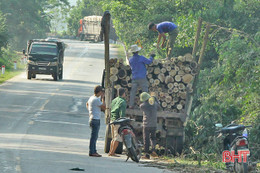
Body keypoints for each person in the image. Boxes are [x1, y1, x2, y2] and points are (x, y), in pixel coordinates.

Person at [140, 92, 161, 159]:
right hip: (153, 124)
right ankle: (153, 150)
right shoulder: (155, 104)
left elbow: (141, 105)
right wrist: (155, 98)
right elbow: (159, 107)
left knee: (146, 139)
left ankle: (146, 155)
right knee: (153, 138)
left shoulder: (143, 105)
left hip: (146, 125)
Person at [86, 85, 106, 157]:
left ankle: (93, 150)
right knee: (94, 137)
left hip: (92, 118)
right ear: (100, 92)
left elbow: (87, 104)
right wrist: (103, 98)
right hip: (95, 119)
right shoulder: (96, 100)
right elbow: (104, 107)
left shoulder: (91, 98)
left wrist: (90, 111)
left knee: (94, 136)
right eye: (101, 92)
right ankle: (92, 151)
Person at [108, 88, 127, 157]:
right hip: (117, 121)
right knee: (117, 138)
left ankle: (110, 151)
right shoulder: (122, 102)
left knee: (113, 138)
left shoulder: (114, 100)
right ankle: (112, 152)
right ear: (124, 93)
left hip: (112, 120)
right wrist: (123, 121)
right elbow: (122, 114)